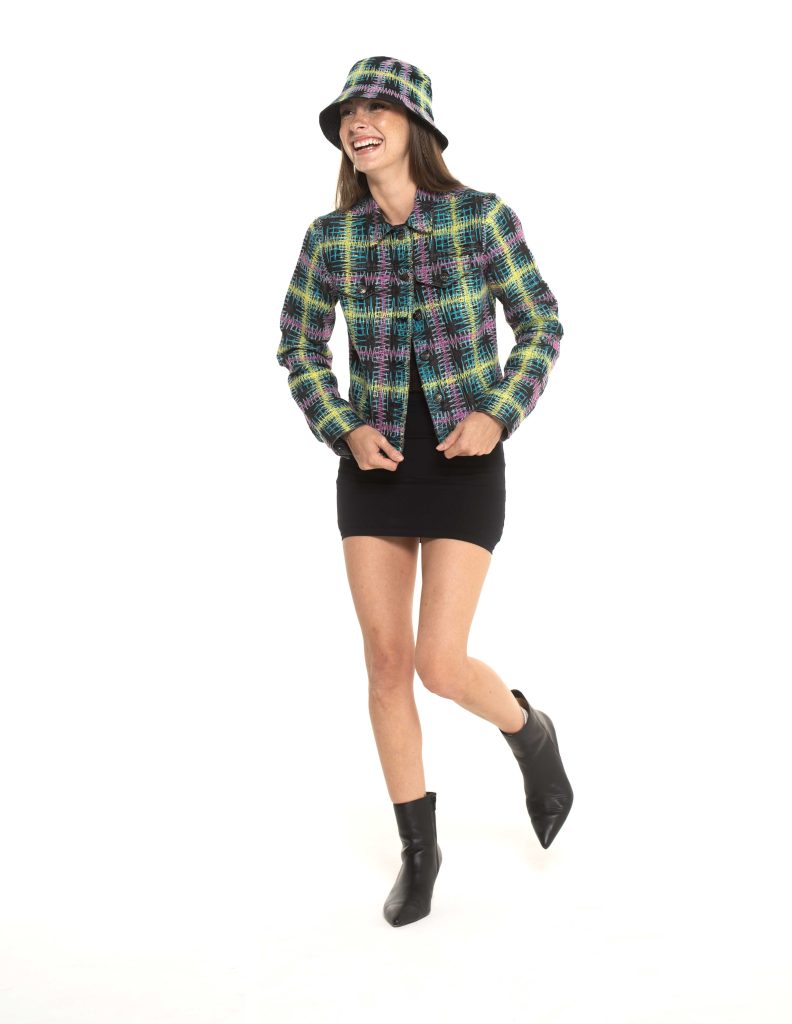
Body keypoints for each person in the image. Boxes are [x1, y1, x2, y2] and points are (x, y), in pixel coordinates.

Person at [276, 56, 573, 928]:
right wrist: (342, 425)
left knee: (440, 664)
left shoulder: (480, 218)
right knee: (384, 662)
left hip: (461, 462)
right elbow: (298, 345)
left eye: (377, 109)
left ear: (416, 127)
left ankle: (528, 731)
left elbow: (540, 324)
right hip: (370, 468)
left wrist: (497, 411)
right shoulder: (330, 238)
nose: (357, 123)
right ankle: (418, 851)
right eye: (348, 113)